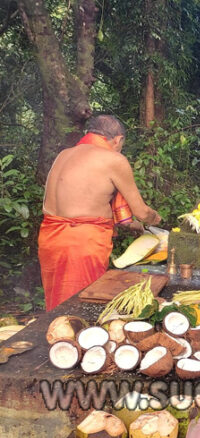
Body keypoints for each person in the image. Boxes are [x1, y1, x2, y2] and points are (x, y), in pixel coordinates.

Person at [39, 115, 162, 311]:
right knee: (84, 305)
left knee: (57, 303)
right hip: (82, 242)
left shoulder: (64, 154)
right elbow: (141, 211)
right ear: (118, 139)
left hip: (50, 237)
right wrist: (155, 219)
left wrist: (130, 225)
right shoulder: (113, 159)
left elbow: (83, 200)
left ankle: (57, 337)